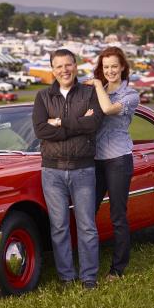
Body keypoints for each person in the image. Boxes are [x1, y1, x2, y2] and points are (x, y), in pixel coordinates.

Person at [32, 48, 103, 290]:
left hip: (83, 169)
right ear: (52, 69)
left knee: (86, 226)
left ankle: (89, 278)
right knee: (59, 226)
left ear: (76, 65)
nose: (64, 70)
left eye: (68, 65)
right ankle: (66, 277)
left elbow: (93, 124)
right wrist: (77, 124)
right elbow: (41, 130)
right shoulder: (43, 96)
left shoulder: (89, 93)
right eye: (59, 66)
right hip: (51, 172)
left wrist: (60, 123)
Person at [83, 46, 139, 280]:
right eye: (105, 67)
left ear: (123, 67)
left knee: (117, 215)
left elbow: (107, 109)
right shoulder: (98, 89)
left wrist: (96, 85)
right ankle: (86, 265)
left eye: (114, 66)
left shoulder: (130, 95)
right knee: (87, 212)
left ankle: (117, 268)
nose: (110, 71)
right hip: (95, 160)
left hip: (118, 159)